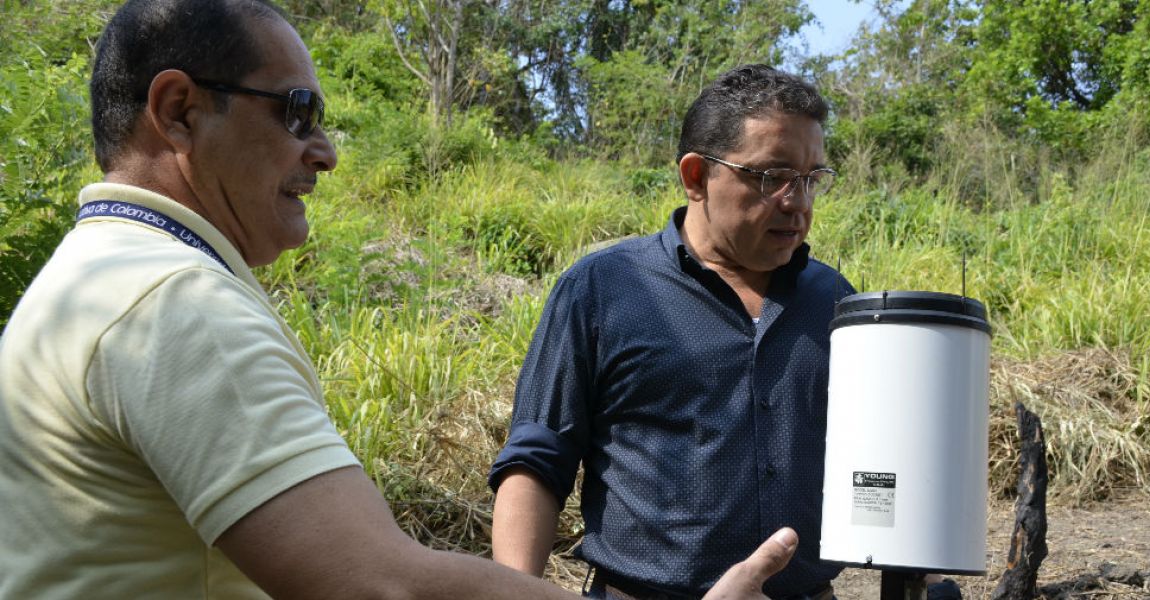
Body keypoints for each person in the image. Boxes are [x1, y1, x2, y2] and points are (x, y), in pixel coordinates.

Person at [0, 2, 798, 599]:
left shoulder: (89, 279)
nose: (327, 152)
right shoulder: (174, 304)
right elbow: (383, 586)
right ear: (179, 110)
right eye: (297, 112)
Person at [489, 64, 851, 599]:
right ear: (697, 176)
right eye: (772, 177)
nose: (797, 204)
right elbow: (538, 461)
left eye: (811, 179)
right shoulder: (603, 289)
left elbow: (874, 462)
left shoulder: (834, 300)